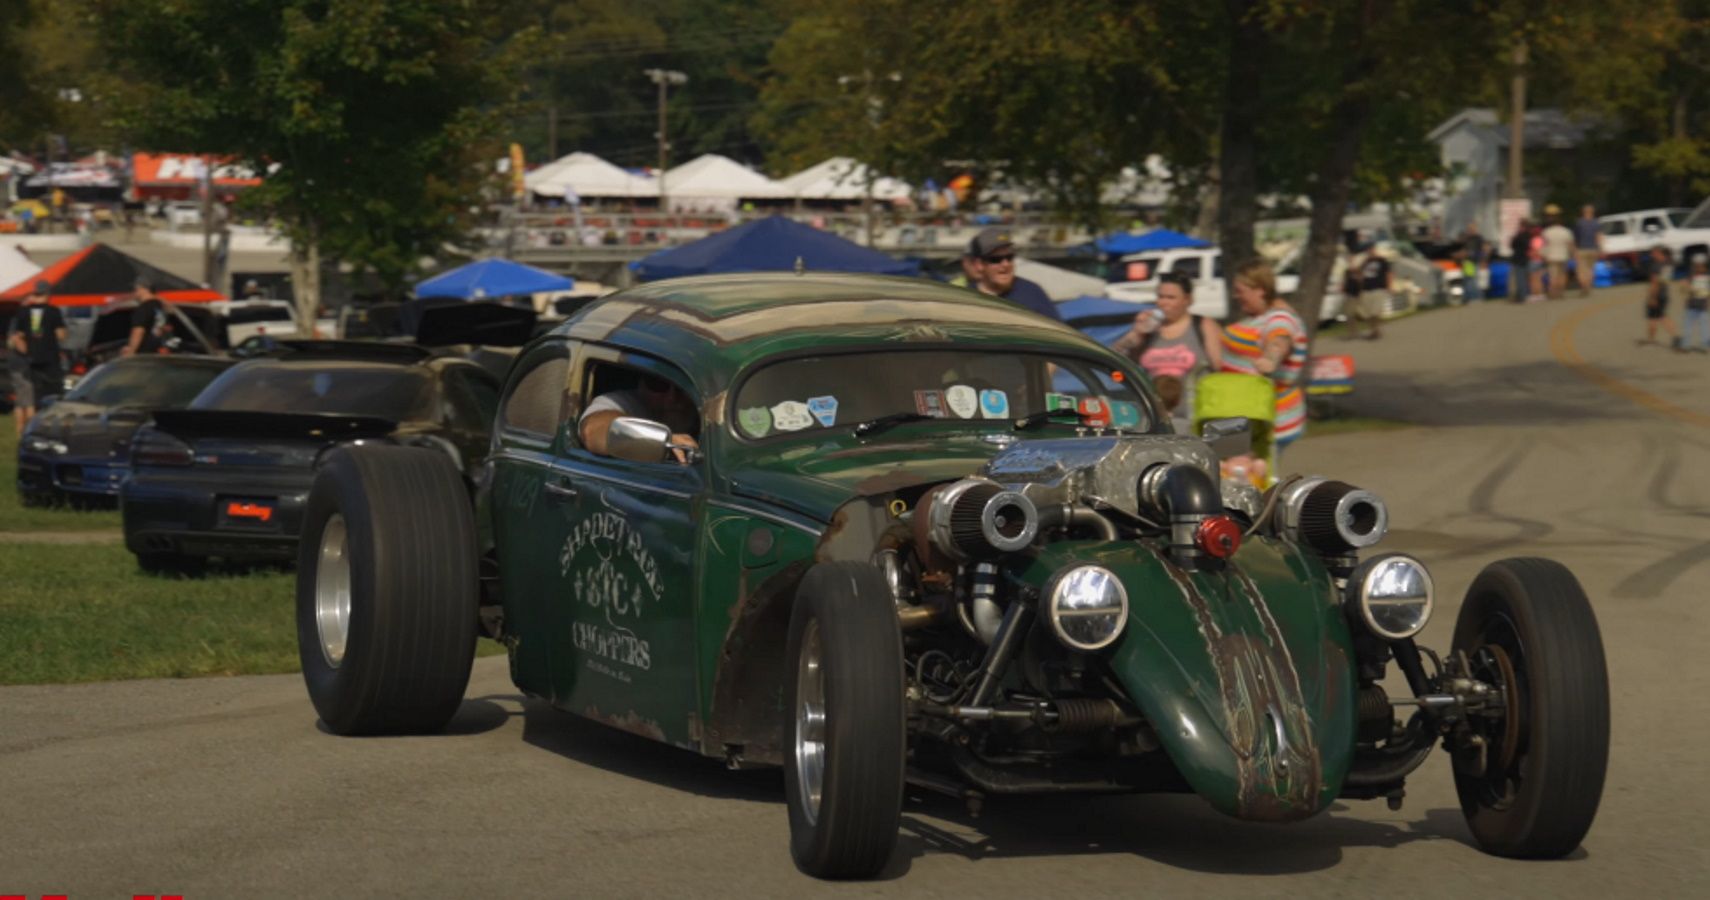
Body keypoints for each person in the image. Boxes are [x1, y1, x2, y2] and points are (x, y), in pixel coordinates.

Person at [1220, 259, 1309, 450]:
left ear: (1260, 289)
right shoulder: (1263, 316)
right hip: (1251, 416)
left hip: (1268, 420)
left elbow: (1280, 339)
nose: (1236, 296)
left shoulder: (1280, 317)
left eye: (1240, 290)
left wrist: (1270, 360)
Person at [1112, 271, 1221, 404]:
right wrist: (1136, 333)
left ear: (1187, 300)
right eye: (1160, 297)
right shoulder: (1149, 328)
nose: (1163, 303)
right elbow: (1116, 358)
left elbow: (1220, 367)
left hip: (1193, 413)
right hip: (1156, 413)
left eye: (1170, 298)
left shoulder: (1203, 325)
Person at [578, 371, 699, 462]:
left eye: (682, 388)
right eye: (657, 385)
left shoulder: (709, 409)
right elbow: (592, 430)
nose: (671, 398)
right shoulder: (629, 403)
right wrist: (660, 440)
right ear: (641, 386)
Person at [960, 227, 1061, 321]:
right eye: (996, 259)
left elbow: (1061, 335)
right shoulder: (965, 300)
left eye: (1009, 257)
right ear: (979, 264)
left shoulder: (1033, 293)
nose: (1005, 264)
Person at [8, 280, 67, 431]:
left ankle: (27, 431)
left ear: (35, 293)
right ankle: (45, 428)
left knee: (31, 399)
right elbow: (60, 335)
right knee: (52, 395)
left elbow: (18, 336)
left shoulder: (24, 312)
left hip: (31, 360)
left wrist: (28, 350)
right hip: (50, 359)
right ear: (47, 294)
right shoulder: (54, 311)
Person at [1641, 245, 1681, 348]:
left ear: (1659, 253)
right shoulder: (1669, 264)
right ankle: (1675, 336)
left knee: (1652, 318)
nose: (1651, 255)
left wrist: (1652, 297)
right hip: (1665, 293)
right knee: (1662, 316)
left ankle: (1651, 340)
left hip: (1657, 294)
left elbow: (1654, 282)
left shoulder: (1656, 266)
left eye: (1653, 253)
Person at [1353, 243, 1394, 339]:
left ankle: (1376, 330)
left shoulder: (1382, 261)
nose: (1370, 252)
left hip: (1378, 288)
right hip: (1366, 290)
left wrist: (1389, 286)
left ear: (1375, 250)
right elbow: (1358, 273)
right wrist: (1363, 261)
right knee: (1368, 314)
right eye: (1368, 250)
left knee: (1375, 312)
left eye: (1371, 249)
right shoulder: (1365, 262)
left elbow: (1389, 273)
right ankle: (1374, 330)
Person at [124, 278, 172, 356]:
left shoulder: (143, 308)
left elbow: (138, 331)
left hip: (146, 355)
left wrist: (131, 351)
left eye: (135, 289)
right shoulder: (159, 305)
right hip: (162, 352)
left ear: (144, 289)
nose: (134, 292)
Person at [1542, 207, 1574, 300]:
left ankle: (1553, 292)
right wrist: (1572, 254)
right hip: (1563, 255)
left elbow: (1544, 245)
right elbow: (1570, 244)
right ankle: (1561, 292)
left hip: (1551, 256)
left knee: (1553, 275)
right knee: (1562, 274)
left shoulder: (1546, 232)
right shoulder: (1566, 231)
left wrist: (1544, 255)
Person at [1573, 205, 1603, 297]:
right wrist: (1600, 248)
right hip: (1593, 249)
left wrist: (1574, 250)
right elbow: (1598, 236)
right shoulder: (1596, 223)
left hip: (1581, 249)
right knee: (1590, 270)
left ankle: (1584, 286)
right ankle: (1588, 286)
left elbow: (1575, 238)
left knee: (1581, 270)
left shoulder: (1579, 223)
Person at [1683, 253, 1710, 353]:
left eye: (1696, 263)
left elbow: (1686, 286)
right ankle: (1702, 345)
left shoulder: (1693, 274)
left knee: (1689, 324)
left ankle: (1687, 345)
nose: (1695, 265)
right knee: (1702, 325)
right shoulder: (1706, 274)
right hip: (1697, 302)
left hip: (1695, 303)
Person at [1459, 221, 1488, 302]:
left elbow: (1484, 250)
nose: (1470, 230)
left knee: (1473, 281)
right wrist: (1463, 256)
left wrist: (1482, 259)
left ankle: (1477, 297)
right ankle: (1466, 298)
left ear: (1475, 229)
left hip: (1474, 261)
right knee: (1467, 280)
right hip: (1467, 262)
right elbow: (1465, 250)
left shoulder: (1479, 238)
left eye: (1471, 228)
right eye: (1469, 228)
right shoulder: (1467, 239)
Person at [1507, 219, 1532, 302]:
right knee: (1523, 278)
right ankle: (1522, 294)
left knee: (1519, 278)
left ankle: (1520, 296)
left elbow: (1513, 245)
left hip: (1518, 259)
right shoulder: (1529, 235)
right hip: (1525, 258)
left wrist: (1514, 238)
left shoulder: (1520, 235)